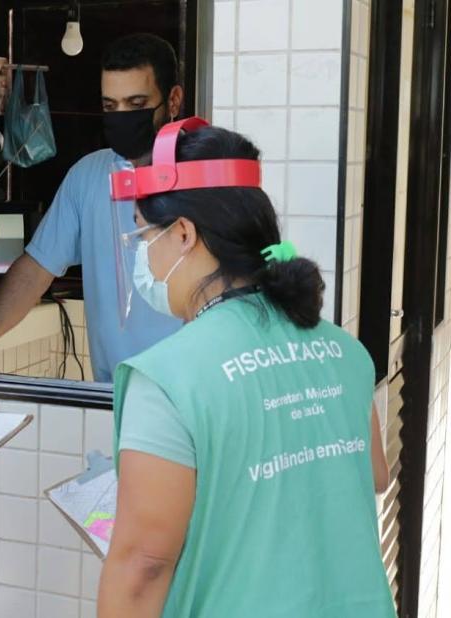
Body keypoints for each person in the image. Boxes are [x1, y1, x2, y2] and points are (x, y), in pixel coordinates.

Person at [98, 120, 394, 617]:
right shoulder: (343, 349)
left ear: (185, 234)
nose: (141, 255)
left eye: (143, 236)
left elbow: (144, 564)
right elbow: (375, 475)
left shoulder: (168, 379)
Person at [0, 33, 185, 382]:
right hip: (114, 396)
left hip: (191, 400)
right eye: (110, 106)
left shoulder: (205, 177)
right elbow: (34, 272)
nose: (122, 117)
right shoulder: (88, 176)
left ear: (173, 100)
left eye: (136, 103)